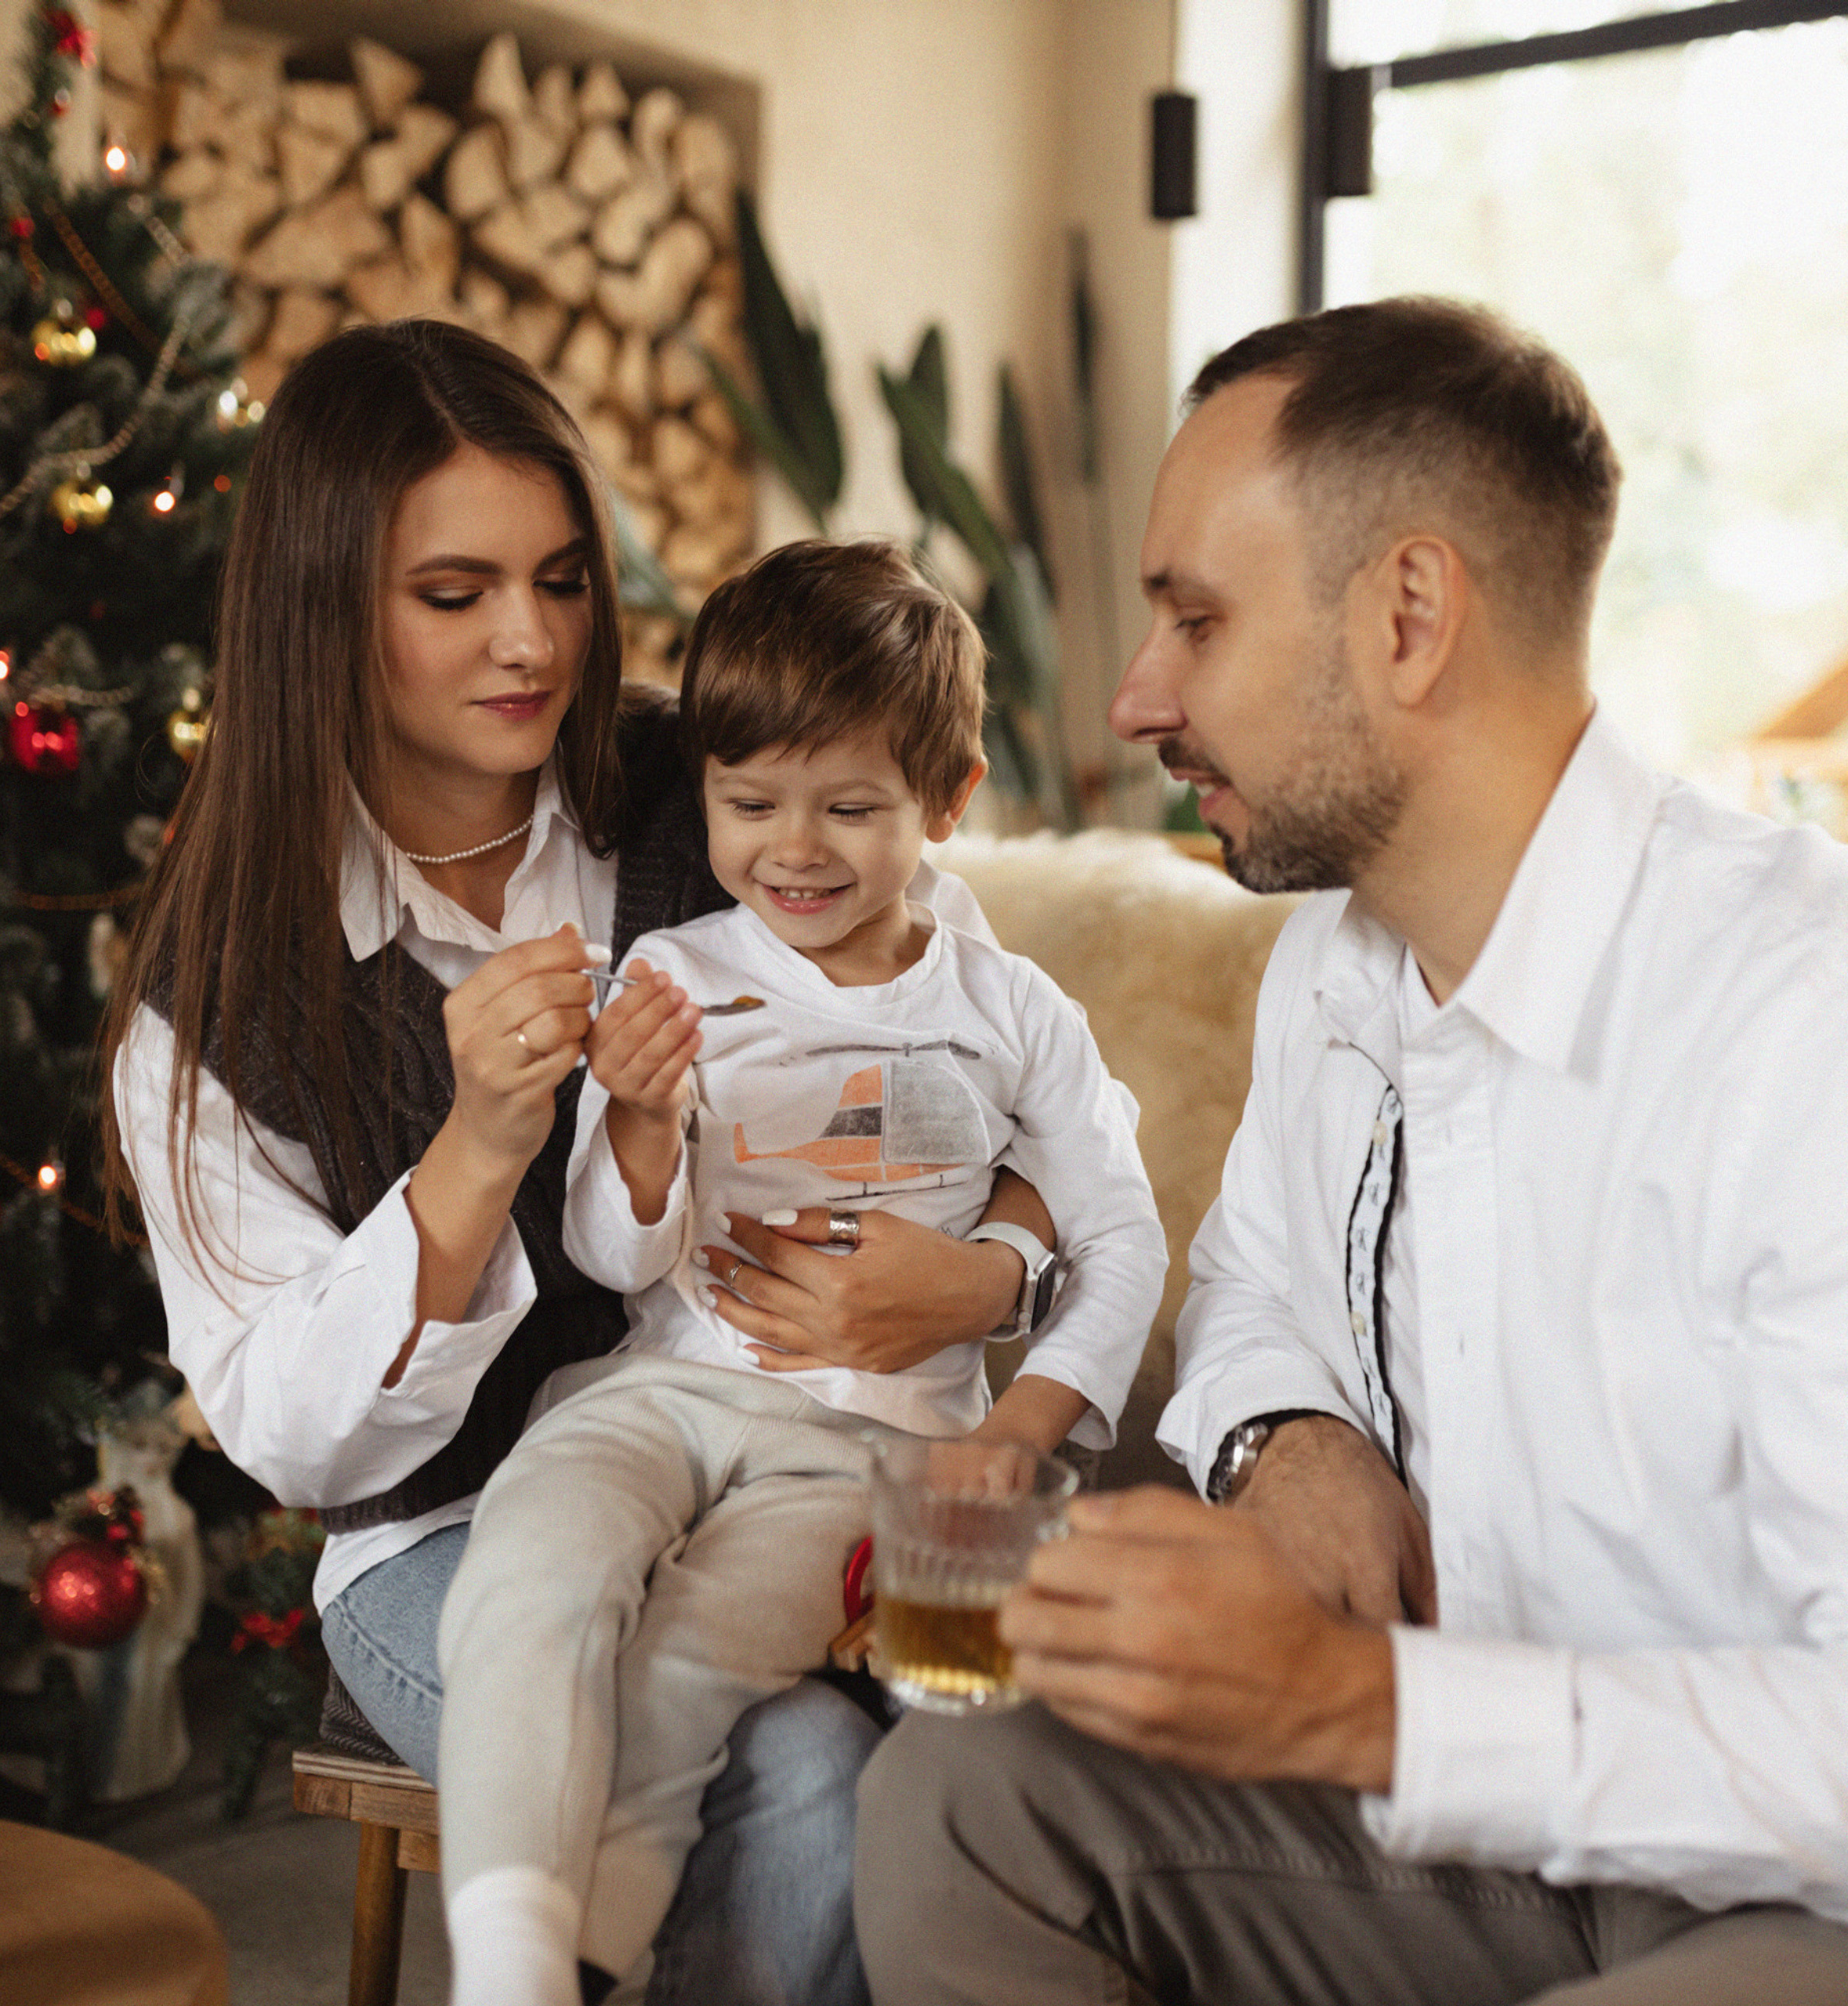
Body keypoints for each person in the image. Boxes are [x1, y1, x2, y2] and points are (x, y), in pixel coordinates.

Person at [853, 296, 1848, 2004]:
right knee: (953, 1799)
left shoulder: (1795, 1020)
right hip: (1474, 1836)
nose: (1132, 692)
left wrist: (1359, 1704)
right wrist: (1285, 1434)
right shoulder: (1335, 961)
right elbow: (1250, 1286)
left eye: (1194, 617)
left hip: (1785, 1890)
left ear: (1405, 614)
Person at [96, 320, 1053, 2006]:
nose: (529, 641)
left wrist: (993, 1269)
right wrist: (478, 1147)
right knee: (801, 1785)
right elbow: (291, 1436)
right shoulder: (222, 978)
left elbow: (981, 1041)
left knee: (955, 1741)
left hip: (785, 1462)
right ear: (326, 605)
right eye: (452, 594)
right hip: (447, 1538)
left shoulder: (717, 788)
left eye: (557, 577)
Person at [436, 538, 1168, 2006]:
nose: (796, 849)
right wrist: (639, 1123)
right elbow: (608, 1251)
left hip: (864, 1452)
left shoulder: (1009, 1009)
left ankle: (574, 1961)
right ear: (704, 788)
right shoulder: (675, 974)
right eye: (749, 803)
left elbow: (1125, 1232)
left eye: (851, 808)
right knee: (533, 1564)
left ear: (948, 803)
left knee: (694, 1655)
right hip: (664, 1391)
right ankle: (502, 1959)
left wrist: (1017, 1440)